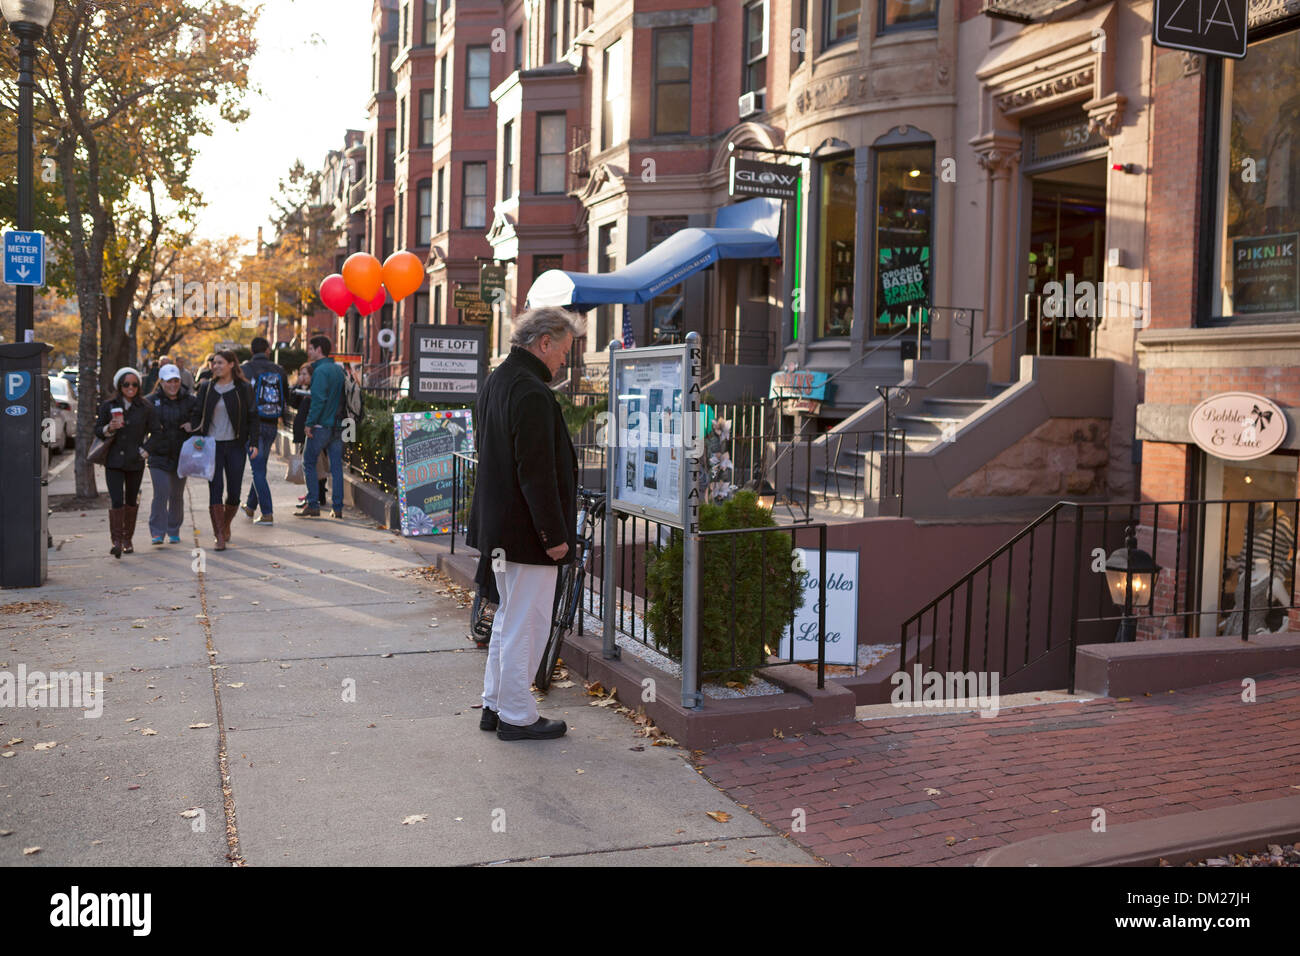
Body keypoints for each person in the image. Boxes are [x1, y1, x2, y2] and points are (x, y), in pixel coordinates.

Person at [466, 307, 583, 741]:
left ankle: (496, 705)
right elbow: (534, 471)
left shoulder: (500, 379)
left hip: (502, 529)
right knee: (527, 622)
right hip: (526, 533)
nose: (564, 362)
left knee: (509, 618)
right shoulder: (531, 390)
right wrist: (553, 537)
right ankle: (516, 714)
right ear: (545, 342)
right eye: (564, 352)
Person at [186, 350, 257, 551]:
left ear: (231, 364)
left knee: (234, 492)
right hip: (212, 446)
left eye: (220, 363)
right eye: (213, 363)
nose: (215, 366)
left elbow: (253, 416)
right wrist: (194, 431)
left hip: (235, 446)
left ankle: (225, 524)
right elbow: (197, 412)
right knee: (215, 490)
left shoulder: (243, 388)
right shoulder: (207, 388)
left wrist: (254, 442)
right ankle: (219, 534)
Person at [94, 367, 152, 558]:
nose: (130, 387)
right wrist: (109, 428)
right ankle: (117, 541)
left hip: (135, 461)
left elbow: (158, 432)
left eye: (134, 384)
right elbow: (97, 430)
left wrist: (146, 450)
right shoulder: (108, 406)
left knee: (131, 500)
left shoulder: (145, 407)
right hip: (114, 461)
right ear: (119, 385)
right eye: (126, 384)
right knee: (117, 500)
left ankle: (128, 539)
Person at [144, 364, 197, 545]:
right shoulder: (151, 401)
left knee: (176, 494)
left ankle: (174, 529)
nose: (173, 385)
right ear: (162, 382)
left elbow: (201, 419)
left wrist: (192, 425)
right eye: (169, 382)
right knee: (161, 492)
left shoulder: (190, 400)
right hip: (158, 455)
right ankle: (157, 531)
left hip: (181, 455)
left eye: (176, 381)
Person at [295, 336, 345, 519]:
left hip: (321, 424)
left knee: (308, 462)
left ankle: (313, 504)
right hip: (338, 424)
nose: (309, 352)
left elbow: (318, 400)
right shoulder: (339, 370)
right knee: (336, 466)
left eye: (311, 349)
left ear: (318, 349)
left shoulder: (320, 371)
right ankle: (337, 508)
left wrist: (309, 423)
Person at [241, 337, 289, 524]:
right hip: (271, 424)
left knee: (258, 470)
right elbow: (286, 396)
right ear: (267, 350)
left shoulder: (245, 369)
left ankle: (267, 513)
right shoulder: (279, 370)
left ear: (252, 351)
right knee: (260, 467)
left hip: (253, 425)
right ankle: (250, 507)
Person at [288, 363, 327, 507]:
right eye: (301, 374)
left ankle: (318, 496)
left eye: (305, 374)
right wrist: (297, 386)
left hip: (313, 432)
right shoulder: (302, 391)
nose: (302, 377)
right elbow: (292, 403)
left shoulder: (315, 391)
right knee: (311, 465)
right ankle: (313, 494)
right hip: (303, 432)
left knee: (317, 465)